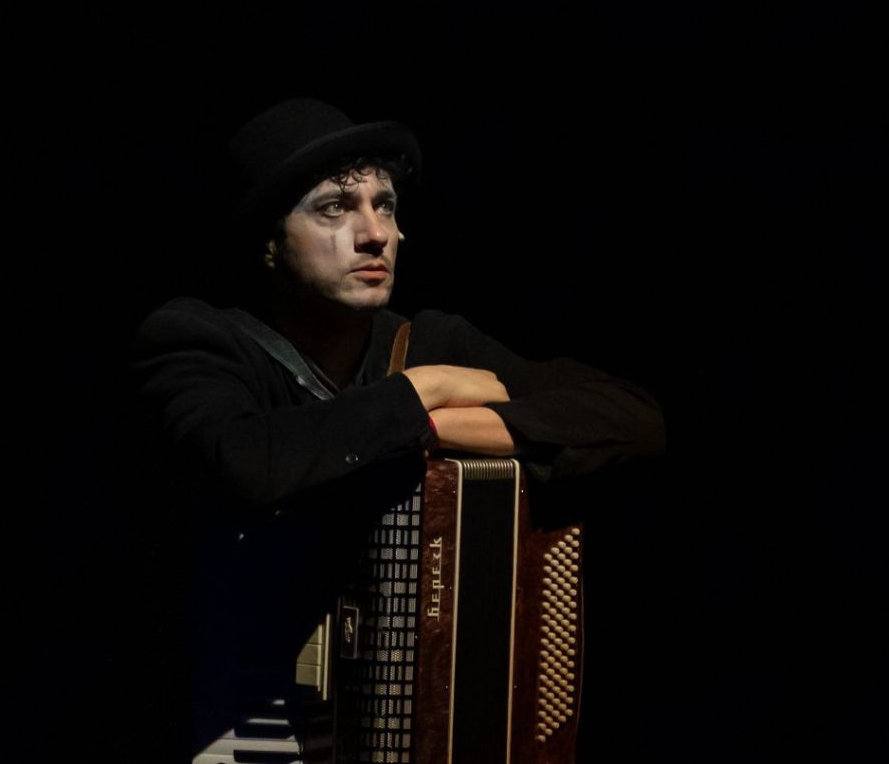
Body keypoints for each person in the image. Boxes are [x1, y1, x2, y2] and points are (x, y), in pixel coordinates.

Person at [131, 98, 665, 760]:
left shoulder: (427, 340)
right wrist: (422, 390)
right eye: (335, 208)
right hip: (247, 726)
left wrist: (432, 425)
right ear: (269, 241)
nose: (374, 233)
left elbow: (632, 418)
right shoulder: (198, 340)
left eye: (383, 205)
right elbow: (245, 459)